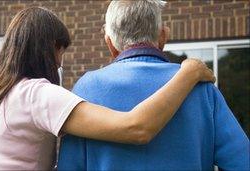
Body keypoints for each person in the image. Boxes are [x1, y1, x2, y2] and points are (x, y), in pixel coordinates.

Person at [0, 7, 214, 171]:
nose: (60, 61)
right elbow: (136, 127)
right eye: (60, 51)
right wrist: (188, 73)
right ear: (49, 48)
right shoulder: (36, 95)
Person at [58, 1, 249, 170]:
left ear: (110, 43)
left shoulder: (87, 88)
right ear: (163, 37)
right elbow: (242, 162)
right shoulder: (201, 87)